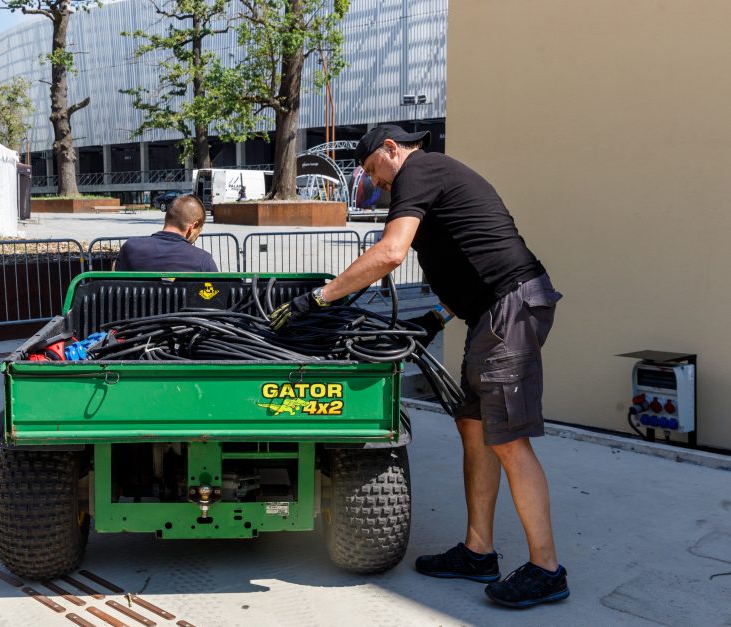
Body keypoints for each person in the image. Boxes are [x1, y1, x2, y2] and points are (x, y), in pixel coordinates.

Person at [270, 125, 568, 609]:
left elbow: (391, 252)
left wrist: (318, 298)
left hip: (510, 307)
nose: (376, 182)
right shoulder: (433, 179)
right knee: (474, 428)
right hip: (490, 311)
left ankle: (546, 568)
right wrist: (436, 316)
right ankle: (478, 551)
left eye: (372, 170)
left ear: (392, 149)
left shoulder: (419, 169)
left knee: (509, 439)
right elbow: (472, 255)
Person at [115, 194, 218, 272]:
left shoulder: (130, 248)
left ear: (167, 217)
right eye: (200, 229)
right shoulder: (203, 260)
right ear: (194, 226)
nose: (197, 236)